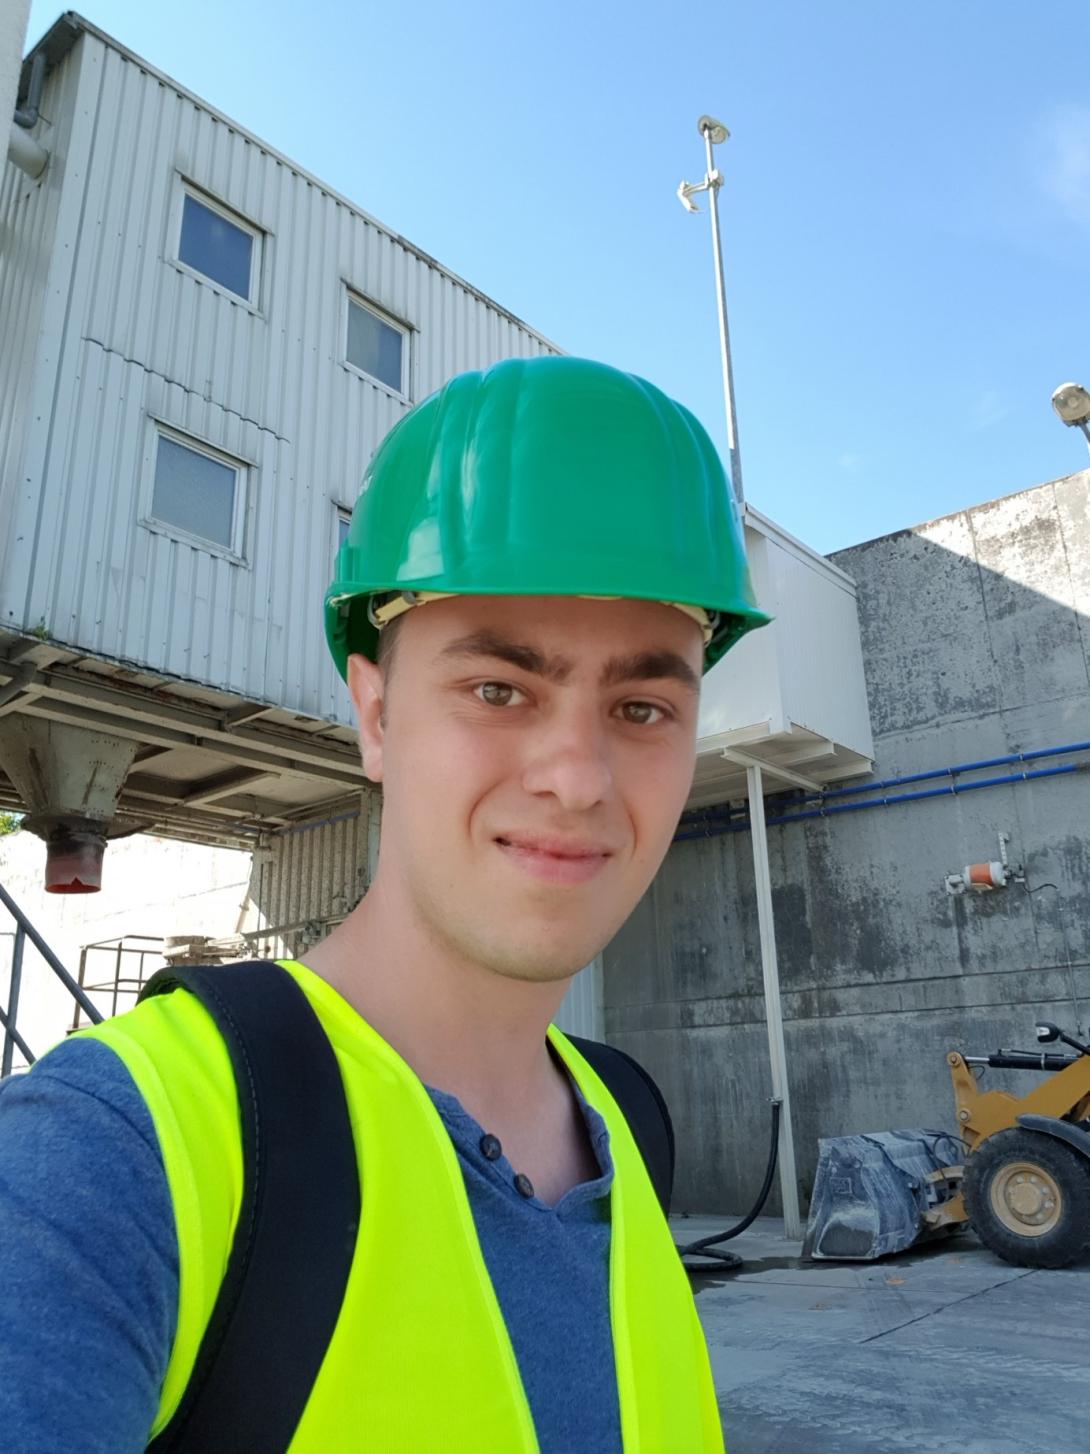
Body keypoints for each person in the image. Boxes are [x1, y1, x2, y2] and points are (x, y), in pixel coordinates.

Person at [0, 355, 768, 1451]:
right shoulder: (114, 1154)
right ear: (374, 716)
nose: (579, 774)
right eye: (498, 689)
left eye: (642, 705)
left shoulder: (629, 1125)